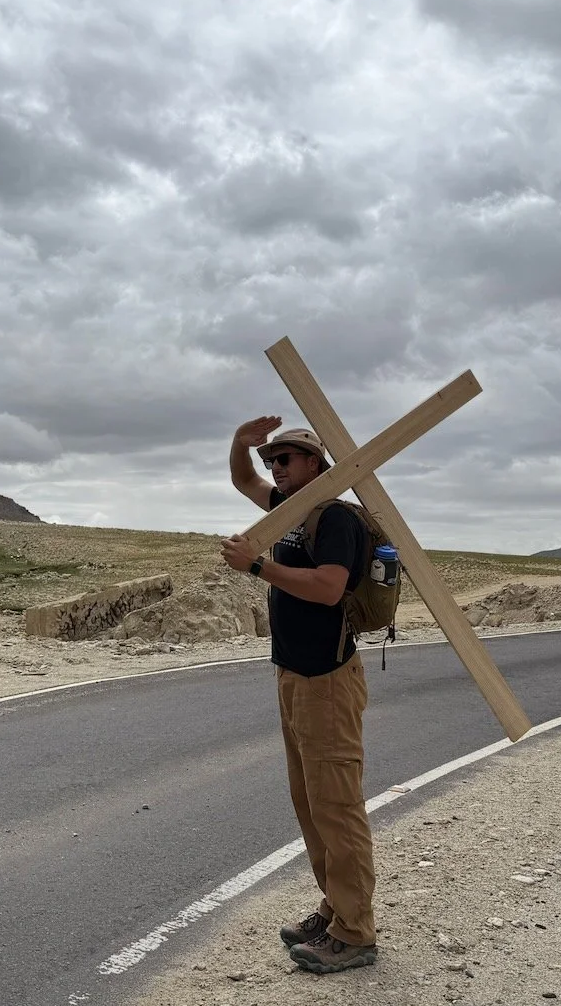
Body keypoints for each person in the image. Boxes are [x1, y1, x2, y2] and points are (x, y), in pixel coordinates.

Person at [219, 415, 379, 975]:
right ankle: (335, 909)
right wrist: (240, 444)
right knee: (311, 804)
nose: (274, 468)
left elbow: (330, 587)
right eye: (272, 461)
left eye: (283, 459)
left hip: (327, 681)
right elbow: (243, 480)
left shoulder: (333, 517)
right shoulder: (289, 511)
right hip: (293, 677)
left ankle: (355, 933)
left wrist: (257, 566)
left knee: (337, 807)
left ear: (314, 463)